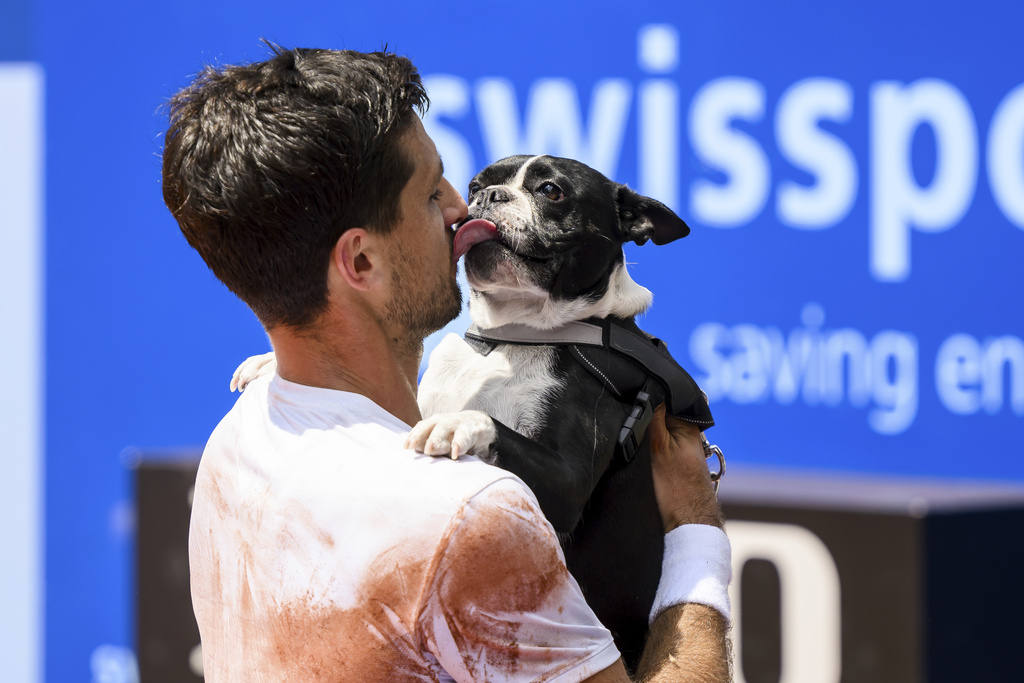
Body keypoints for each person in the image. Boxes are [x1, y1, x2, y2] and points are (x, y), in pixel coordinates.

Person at [162, 44, 732, 682]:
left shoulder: (236, 443)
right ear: (361, 264)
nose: (466, 209)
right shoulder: (466, 520)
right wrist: (696, 537)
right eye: (433, 195)